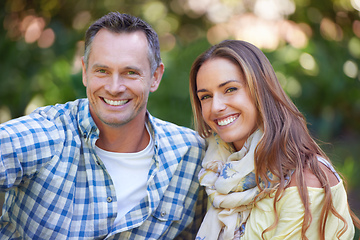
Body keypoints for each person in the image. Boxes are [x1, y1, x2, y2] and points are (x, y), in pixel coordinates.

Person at [0, 12, 206, 239]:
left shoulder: (191, 155)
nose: (114, 87)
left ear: (155, 76)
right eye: (102, 71)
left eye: (130, 72)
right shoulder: (49, 134)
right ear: (85, 72)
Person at [189, 40, 360, 239]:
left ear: (260, 90)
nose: (216, 106)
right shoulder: (216, 171)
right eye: (206, 97)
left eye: (230, 89)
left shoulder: (305, 182)